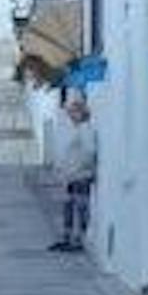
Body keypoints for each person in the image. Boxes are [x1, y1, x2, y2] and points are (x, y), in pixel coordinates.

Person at [52, 94, 97, 252]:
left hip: (80, 176)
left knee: (80, 207)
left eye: (73, 112)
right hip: (72, 175)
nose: (70, 115)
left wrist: (81, 168)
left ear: (81, 113)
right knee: (69, 206)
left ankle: (79, 239)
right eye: (69, 112)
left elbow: (90, 151)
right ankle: (68, 237)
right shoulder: (77, 129)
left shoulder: (86, 129)